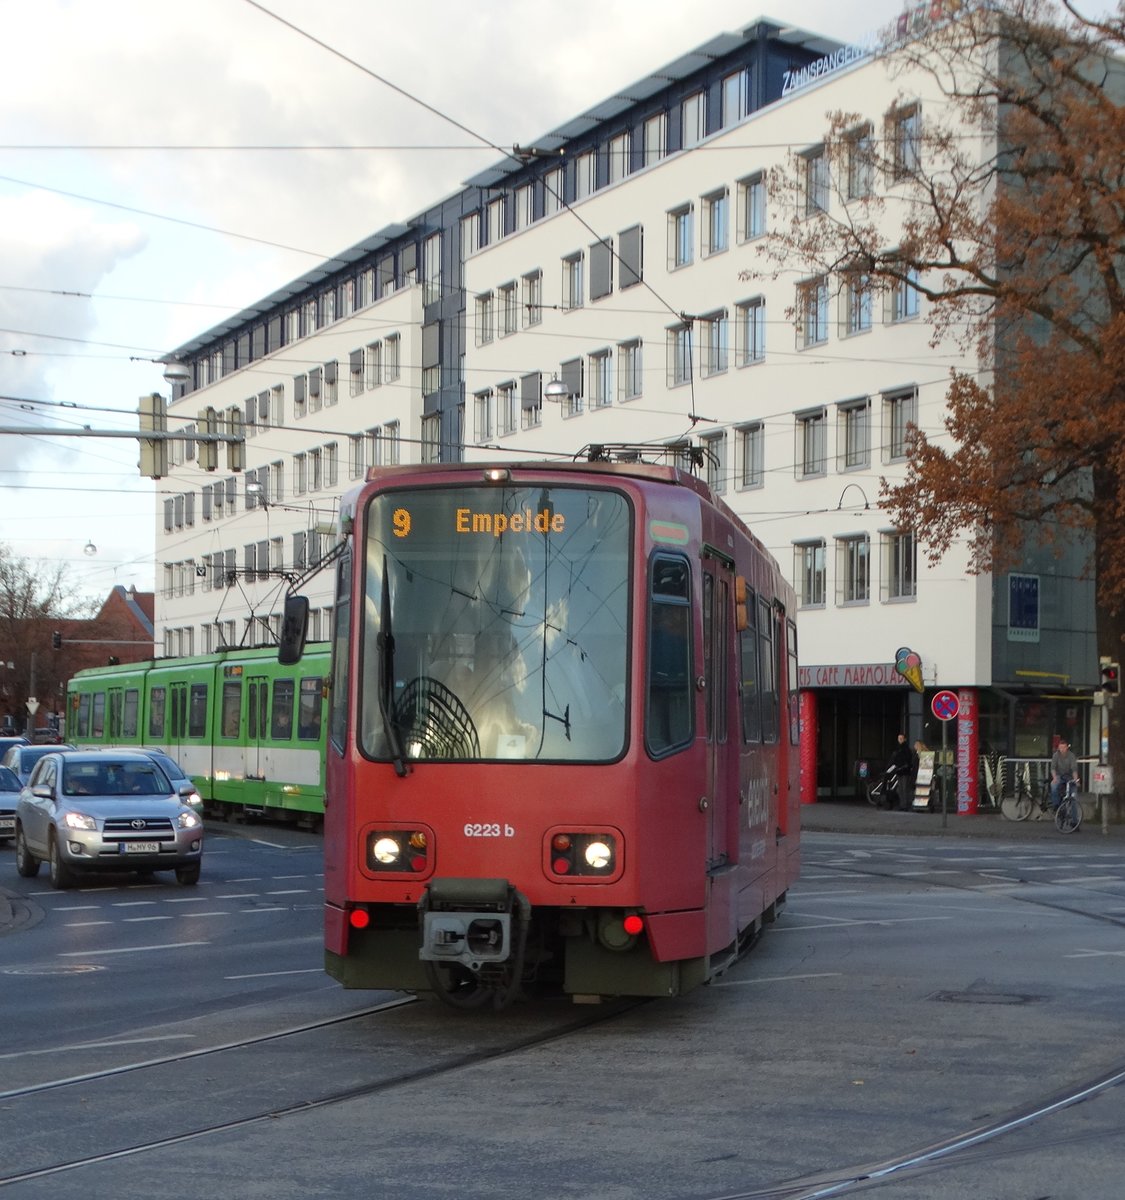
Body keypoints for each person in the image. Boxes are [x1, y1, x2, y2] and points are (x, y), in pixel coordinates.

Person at [880, 733, 914, 810]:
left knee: (903, 788)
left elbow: (906, 760)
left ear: (905, 739)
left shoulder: (905, 749)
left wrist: (899, 765)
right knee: (901, 788)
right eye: (899, 738)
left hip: (903, 771)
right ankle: (903, 805)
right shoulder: (900, 748)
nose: (900, 740)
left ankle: (904, 805)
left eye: (901, 738)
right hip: (901, 770)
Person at [1049, 738, 1079, 811]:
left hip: (1069, 776)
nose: (1062, 749)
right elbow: (1053, 768)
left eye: (1064, 747)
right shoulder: (1056, 755)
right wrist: (1054, 778)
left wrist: (1076, 780)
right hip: (1059, 776)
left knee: (1073, 797)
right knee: (1053, 786)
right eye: (1060, 748)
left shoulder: (1071, 755)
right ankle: (1056, 805)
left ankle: (1074, 820)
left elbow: (1074, 769)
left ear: (1067, 747)